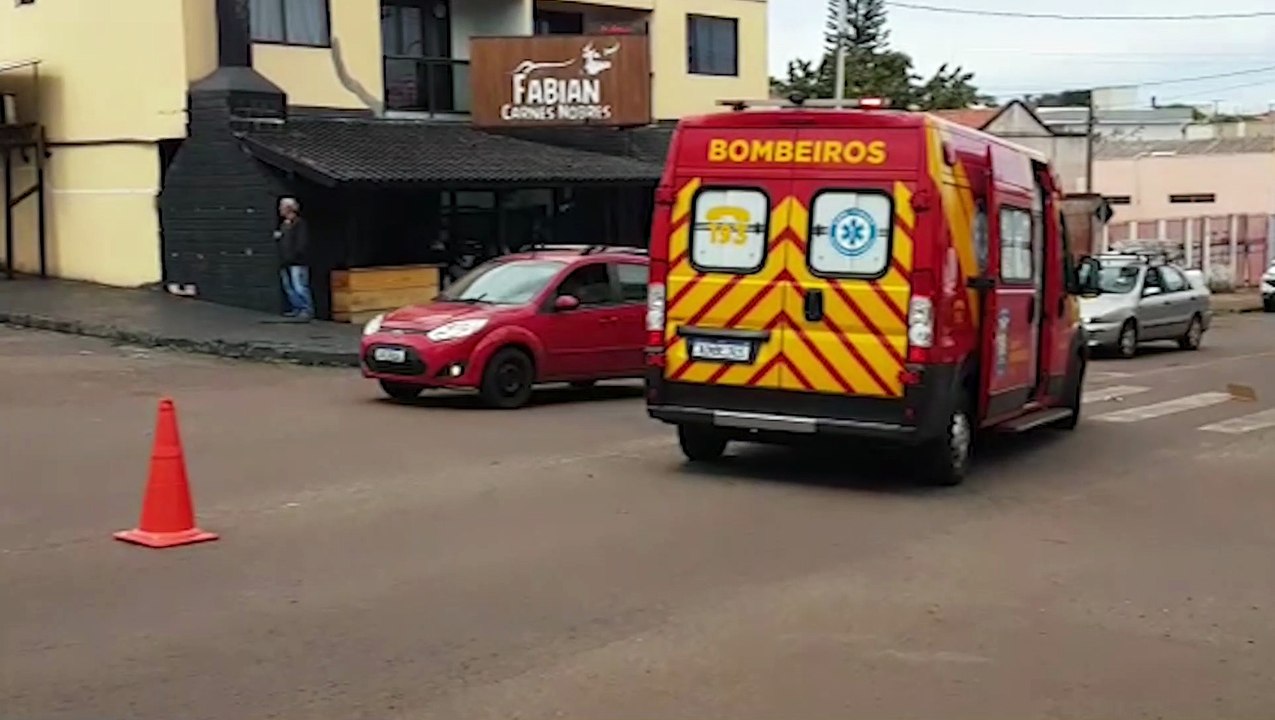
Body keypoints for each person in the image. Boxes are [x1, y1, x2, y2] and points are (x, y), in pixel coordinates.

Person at [275, 197, 314, 320]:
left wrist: (294, 255)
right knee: (290, 287)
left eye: (282, 207)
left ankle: (306, 310)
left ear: (289, 209)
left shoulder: (299, 223)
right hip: (286, 261)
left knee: (299, 286)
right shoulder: (284, 225)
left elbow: (301, 243)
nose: (279, 210)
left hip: (297, 261)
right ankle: (297, 308)